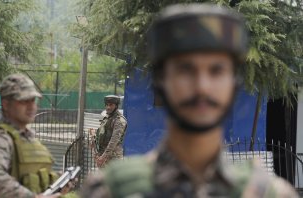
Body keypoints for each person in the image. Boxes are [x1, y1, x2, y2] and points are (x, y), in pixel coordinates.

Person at [80, 4, 298, 198]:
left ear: (234, 83)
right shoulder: (110, 190)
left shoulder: (267, 193)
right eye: (185, 70)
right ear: (160, 81)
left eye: (216, 71)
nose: (202, 86)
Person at [0, 74, 73, 198]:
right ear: (5, 104)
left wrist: (57, 183)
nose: (31, 106)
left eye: (33, 100)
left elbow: (32, 179)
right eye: (24, 101)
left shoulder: (30, 139)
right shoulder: (0, 139)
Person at [91, 95, 127, 168]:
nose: (108, 107)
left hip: (113, 159)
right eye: (107, 105)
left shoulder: (119, 120)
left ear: (116, 106)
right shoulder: (107, 118)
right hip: (103, 157)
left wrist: (103, 157)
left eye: (111, 105)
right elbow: (102, 135)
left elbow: (113, 141)